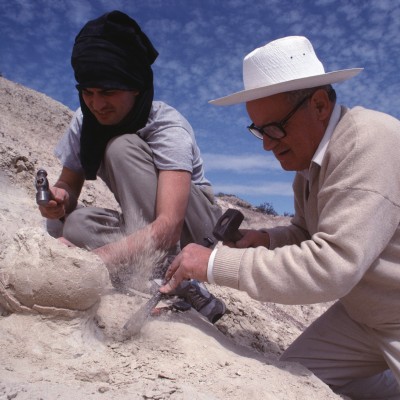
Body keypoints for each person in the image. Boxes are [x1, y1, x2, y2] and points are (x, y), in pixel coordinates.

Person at [160, 36, 400, 399]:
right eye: (258, 130)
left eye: (274, 128)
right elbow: (307, 232)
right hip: (362, 318)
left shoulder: (369, 141)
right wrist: (267, 239)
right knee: (294, 378)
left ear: (319, 104)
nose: (267, 144)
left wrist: (214, 264)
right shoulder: (308, 169)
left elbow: (333, 265)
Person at [38, 10, 225, 323]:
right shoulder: (85, 122)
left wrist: (99, 259)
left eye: (108, 92)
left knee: (121, 147)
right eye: (88, 92)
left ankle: (169, 280)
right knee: (75, 225)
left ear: (135, 86)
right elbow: (69, 186)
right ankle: (165, 279)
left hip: (193, 229)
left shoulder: (166, 125)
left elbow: (168, 226)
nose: (97, 104)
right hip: (146, 225)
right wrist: (59, 200)